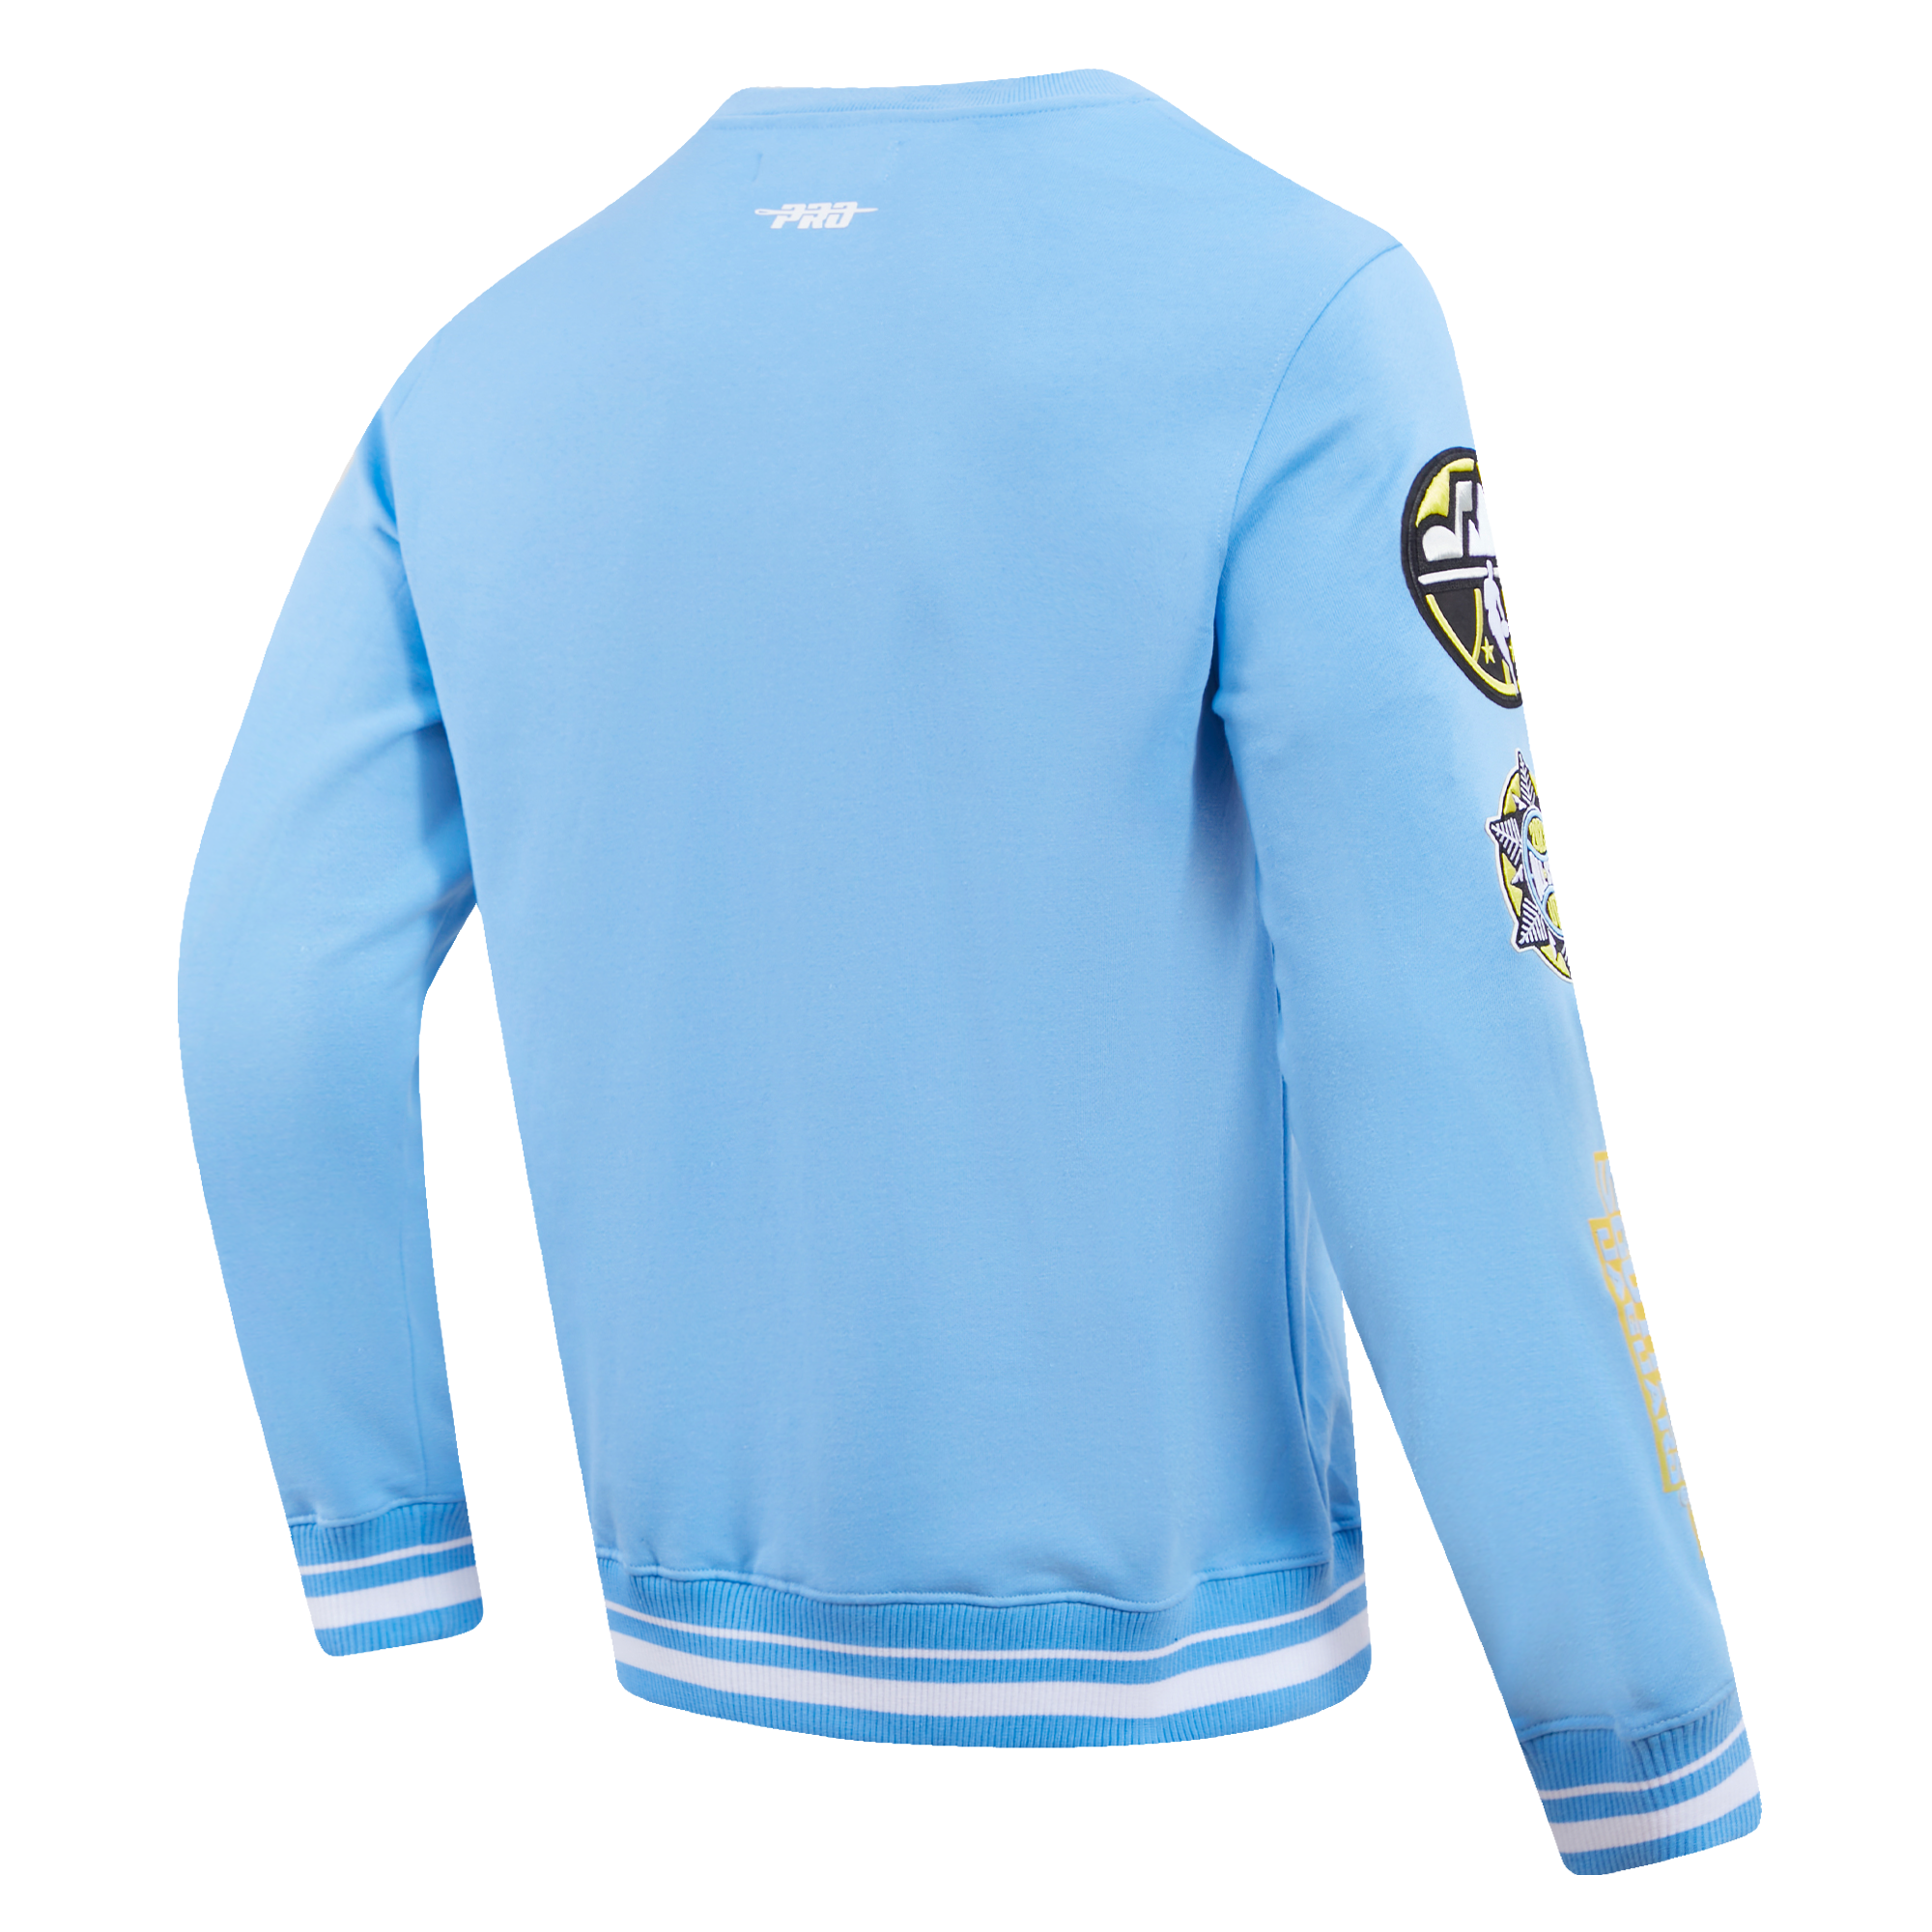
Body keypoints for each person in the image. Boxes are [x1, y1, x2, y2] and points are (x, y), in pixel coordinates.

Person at [180, 69, 1758, 1874]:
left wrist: (374, 1499)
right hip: (1173, 1643)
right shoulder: (1301, 300)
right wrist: (1628, 1695)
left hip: (736, 1627)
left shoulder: (478, 359)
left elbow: (266, 972)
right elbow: (1452, 1032)